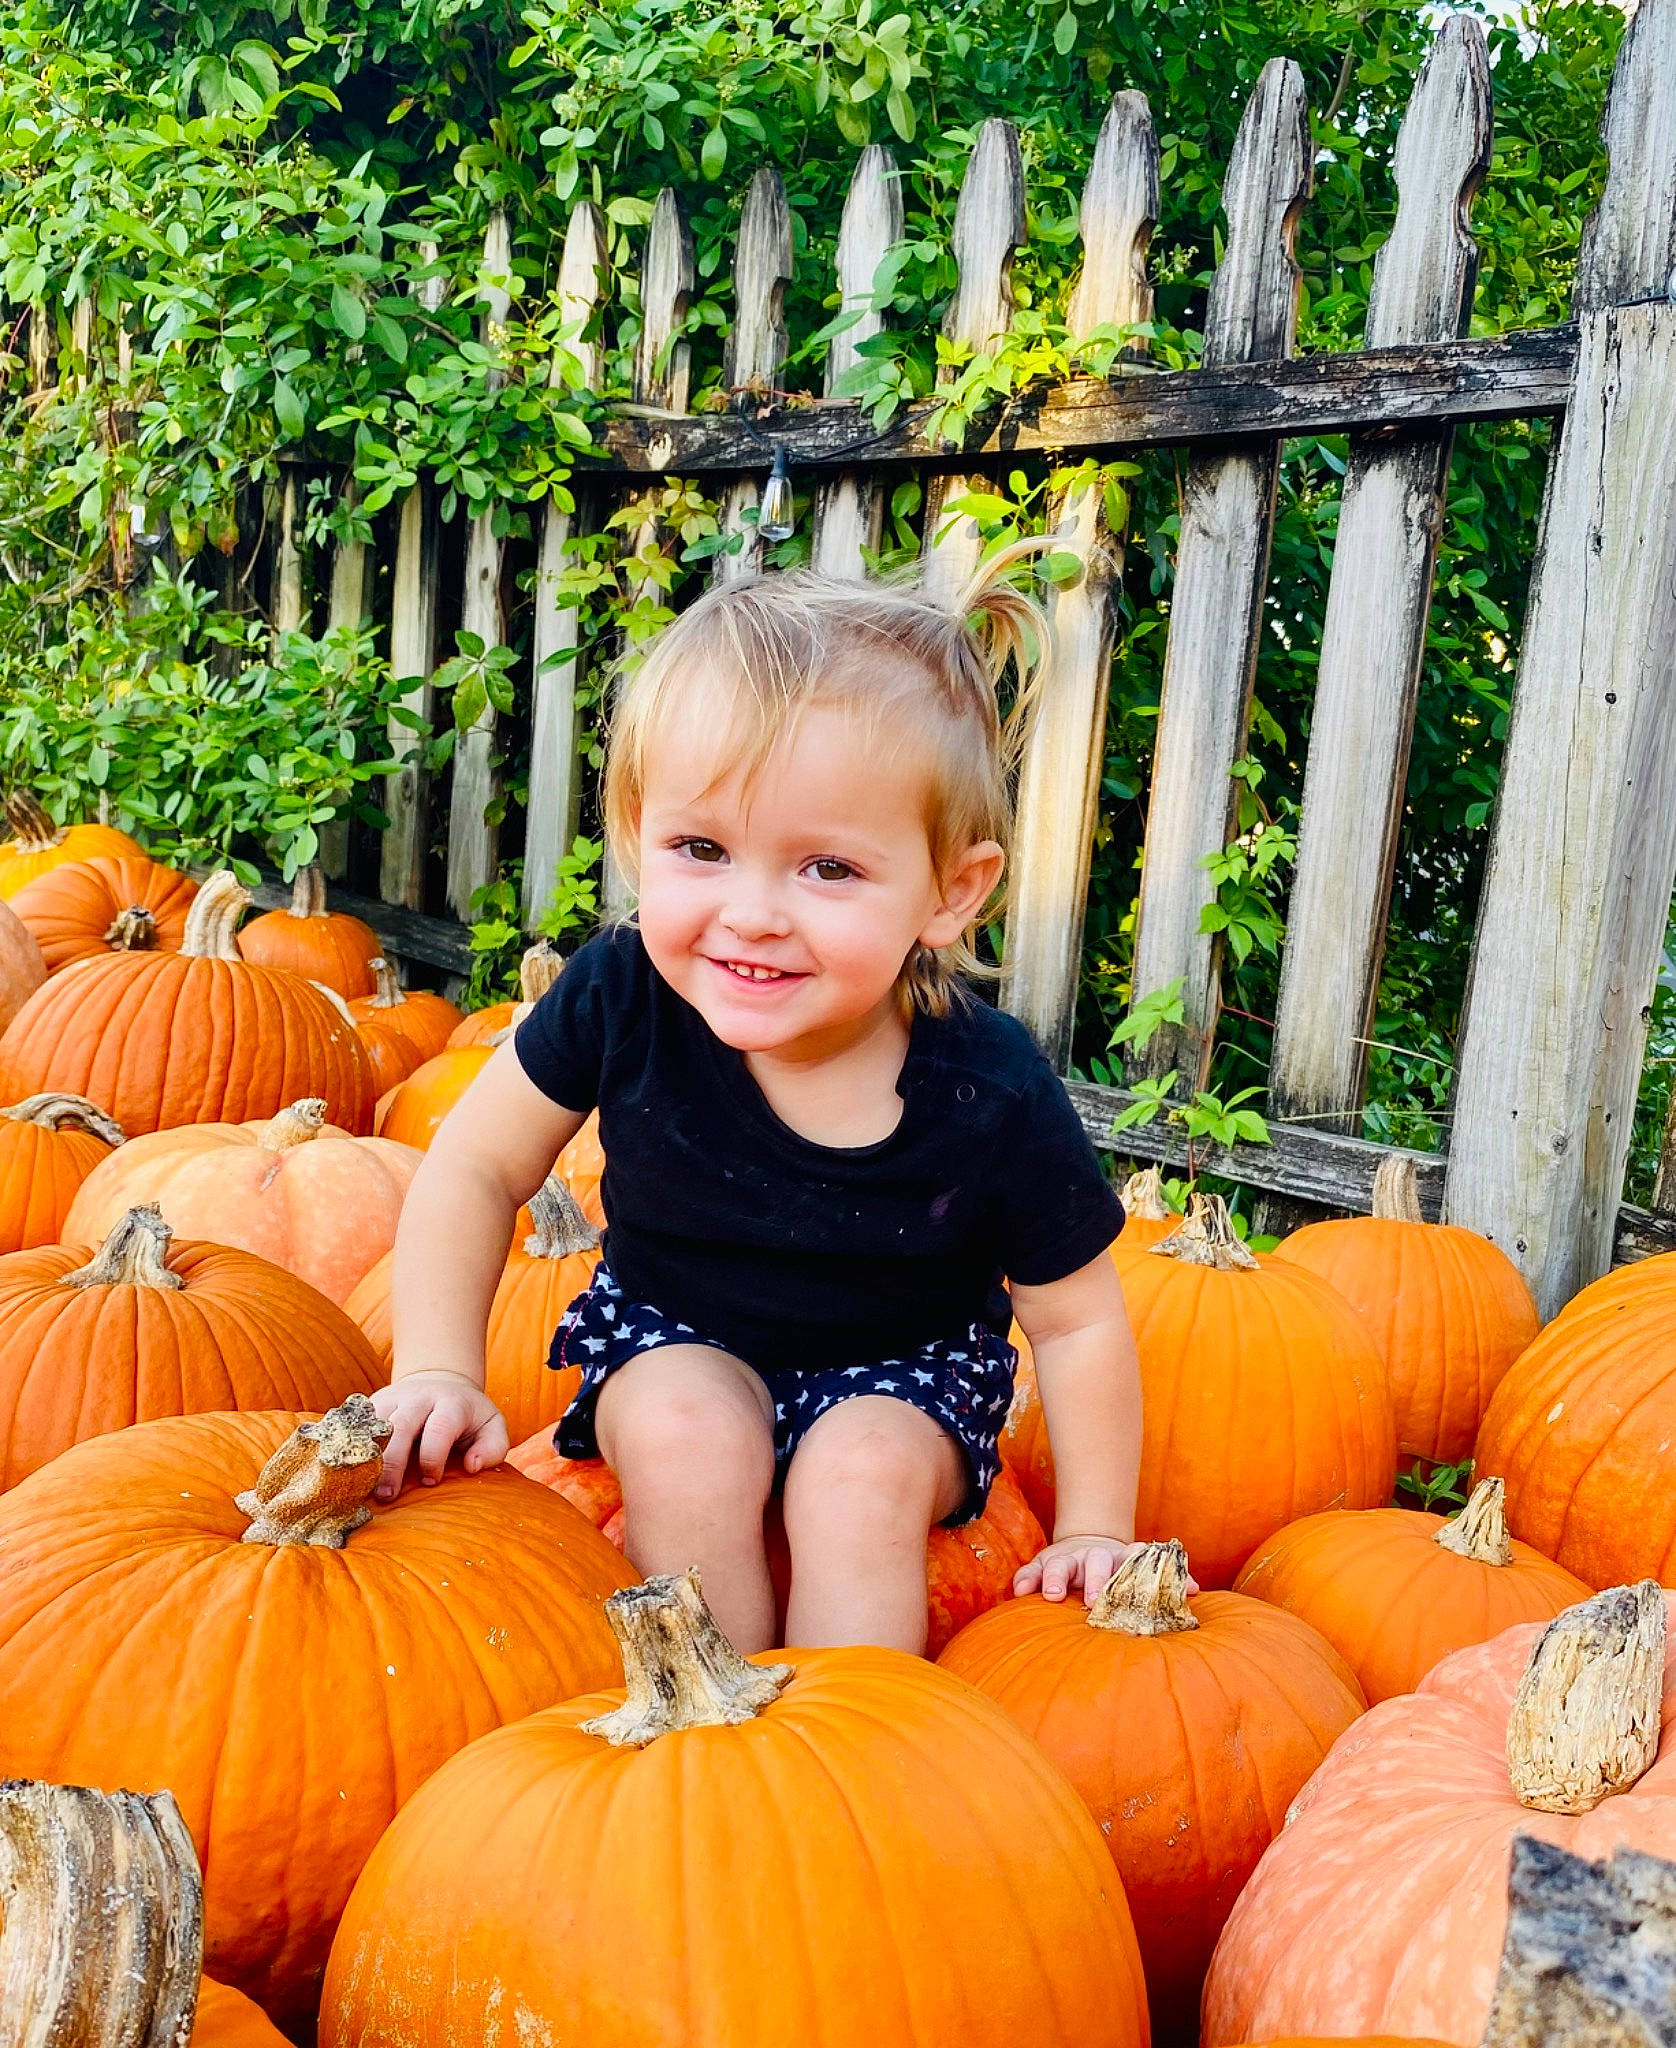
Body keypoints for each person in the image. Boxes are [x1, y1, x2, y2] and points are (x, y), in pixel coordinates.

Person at [372, 542, 1148, 1655]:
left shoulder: (989, 1085)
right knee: (686, 1438)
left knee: (858, 1478)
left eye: (825, 868)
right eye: (701, 847)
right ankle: (700, 1731)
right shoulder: (622, 990)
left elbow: (1073, 1320)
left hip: (903, 1372)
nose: (751, 911)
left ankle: (836, 1759)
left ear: (949, 891)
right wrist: (438, 1367)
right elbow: (473, 1166)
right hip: (675, 1331)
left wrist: (1096, 1527)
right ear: (640, 835)